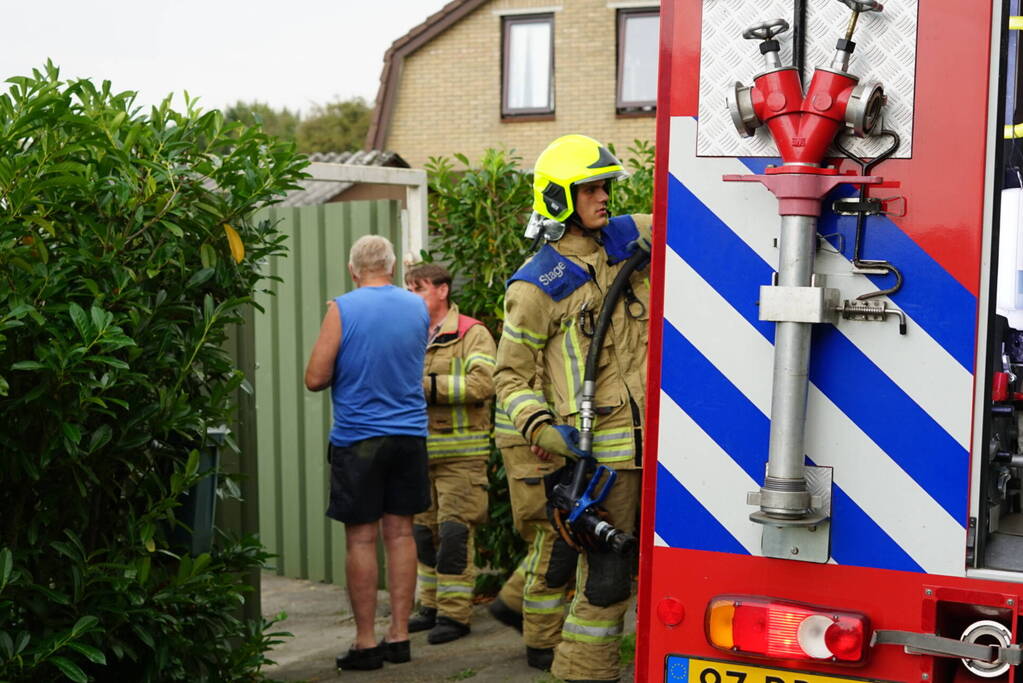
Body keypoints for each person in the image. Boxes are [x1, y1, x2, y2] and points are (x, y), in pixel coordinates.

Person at [493, 134, 652, 683]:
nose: (604, 197)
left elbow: (698, 218)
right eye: (590, 189)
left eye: (607, 186)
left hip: (663, 448)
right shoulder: (535, 286)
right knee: (607, 583)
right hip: (603, 465)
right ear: (560, 199)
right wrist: (541, 426)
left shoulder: (632, 239)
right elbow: (509, 374)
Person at [304, 234, 432, 672]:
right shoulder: (418, 307)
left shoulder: (343, 307)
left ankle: (366, 643)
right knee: (401, 534)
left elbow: (315, 377)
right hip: (410, 437)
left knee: (361, 537)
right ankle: (399, 636)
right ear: (392, 268)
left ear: (352, 269)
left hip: (359, 439)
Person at [403, 263, 497, 645]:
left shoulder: (471, 333)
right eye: (407, 289)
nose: (410, 297)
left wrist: (425, 386)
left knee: (455, 535)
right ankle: (430, 606)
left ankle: (455, 616)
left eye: (417, 289)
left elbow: (483, 383)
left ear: (442, 290)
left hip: (462, 457)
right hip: (418, 455)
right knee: (423, 535)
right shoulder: (407, 334)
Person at [488, 389, 578, 672]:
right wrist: (542, 428)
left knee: (549, 537)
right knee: (553, 536)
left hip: (536, 431)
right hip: (537, 435)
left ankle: (512, 602)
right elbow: (532, 370)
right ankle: (542, 645)